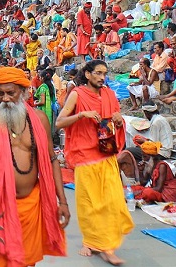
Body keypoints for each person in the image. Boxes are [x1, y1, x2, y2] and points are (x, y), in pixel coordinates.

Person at [0, 67, 68, 266]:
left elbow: (52, 160)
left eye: (11, 93)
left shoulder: (40, 119)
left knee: (26, 260)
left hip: (31, 203)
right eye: (1, 93)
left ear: (24, 92)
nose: (6, 98)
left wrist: (62, 201)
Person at [56, 60, 133, 266]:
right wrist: (81, 114)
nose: (102, 77)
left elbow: (117, 122)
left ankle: (102, 243)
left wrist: (118, 120)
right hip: (85, 157)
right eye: (98, 73)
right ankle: (96, 243)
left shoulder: (109, 94)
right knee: (90, 204)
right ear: (88, 74)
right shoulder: (77, 94)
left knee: (113, 201)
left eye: (104, 73)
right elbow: (59, 122)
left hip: (106, 155)